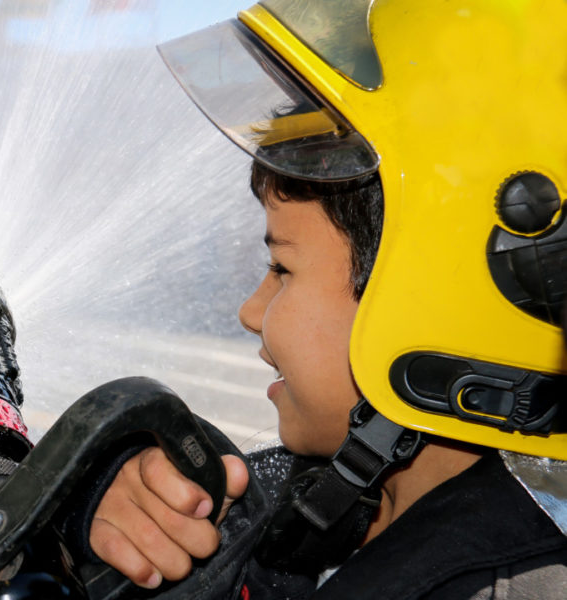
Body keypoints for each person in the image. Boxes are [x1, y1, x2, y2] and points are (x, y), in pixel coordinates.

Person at [85, 1, 567, 597]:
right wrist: (120, 505)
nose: (250, 312)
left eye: (281, 268)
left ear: (426, 304)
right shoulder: (341, 510)